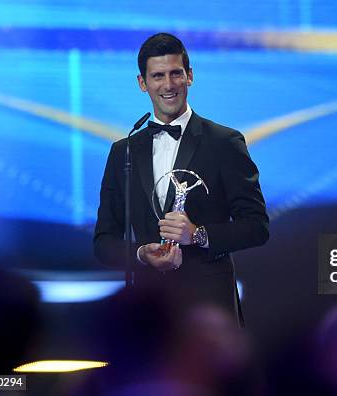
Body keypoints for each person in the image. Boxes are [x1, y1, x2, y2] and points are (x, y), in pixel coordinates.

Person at [94, 32, 269, 326]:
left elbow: (257, 226)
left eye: (176, 73)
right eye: (158, 75)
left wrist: (198, 235)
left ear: (189, 76)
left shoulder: (224, 142)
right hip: (149, 310)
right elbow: (103, 242)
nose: (168, 84)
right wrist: (141, 254)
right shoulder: (124, 151)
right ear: (142, 83)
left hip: (210, 309)